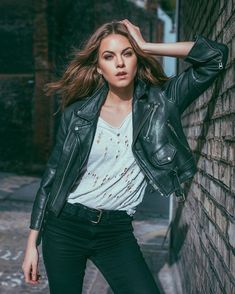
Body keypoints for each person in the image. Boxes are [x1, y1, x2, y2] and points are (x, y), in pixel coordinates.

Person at [22, 19, 228, 294]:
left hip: (115, 232)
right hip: (65, 227)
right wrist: (31, 244)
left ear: (136, 59)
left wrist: (146, 45)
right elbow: (51, 177)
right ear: (98, 67)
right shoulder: (78, 115)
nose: (119, 63)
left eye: (127, 53)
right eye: (109, 57)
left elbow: (216, 57)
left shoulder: (162, 101)